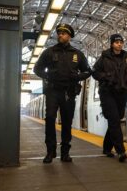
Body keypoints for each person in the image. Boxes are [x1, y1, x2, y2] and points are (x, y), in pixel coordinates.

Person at [34, 23, 92, 163]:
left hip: (68, 92)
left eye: (64, 33)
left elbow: (88, 71)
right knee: (49, 119)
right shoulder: (49, 52)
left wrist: (78, 77)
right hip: (53, 91)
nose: (60, 35)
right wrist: (48, 76)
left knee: (66, 122)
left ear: (69, 36)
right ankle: (50, 151)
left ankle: (65, 152)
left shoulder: (77, 54)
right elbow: (37, 69)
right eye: (59, 33)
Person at [92, 34, 127, 162]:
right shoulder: (104, 57)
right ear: (112, 44)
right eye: (117, 42)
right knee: (114, 120)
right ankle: (120, 151)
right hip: (108, 92)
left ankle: (106, 148)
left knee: (117, 118)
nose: (119, 44)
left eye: (121, 42)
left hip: (122, 92)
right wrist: (105, 77)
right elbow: (95, 72)